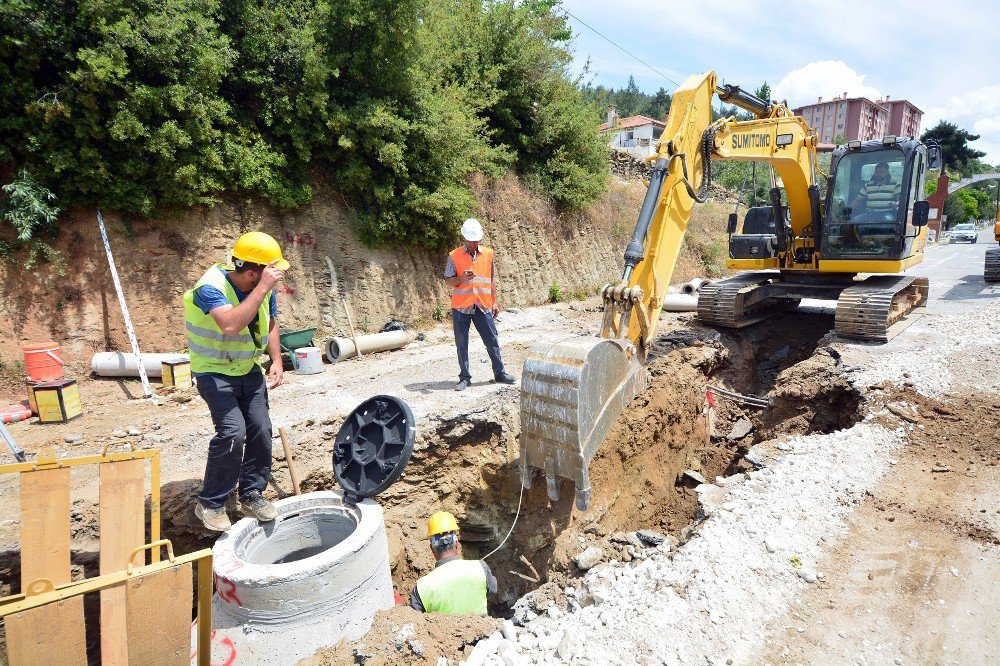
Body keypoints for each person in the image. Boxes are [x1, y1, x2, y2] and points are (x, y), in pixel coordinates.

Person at [183, 231, 289, 532]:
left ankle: (251, 494)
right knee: (232, 432)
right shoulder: (210, 287)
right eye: (270, 271)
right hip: (213, 372)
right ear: (253, 273)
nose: (275, 277)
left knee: (260, 428)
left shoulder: (262, 288)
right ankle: (211, 502)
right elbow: (230, 324)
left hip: (248, 369)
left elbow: (269, 323)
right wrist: (264, 288)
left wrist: (277, 360)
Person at [444, 218, 516, 391]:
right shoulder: (454, 256)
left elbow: (490, 279)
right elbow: (448, 280)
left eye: (476, 240)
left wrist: (494, 301)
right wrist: (461, 279)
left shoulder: (488, 254)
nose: (473, 243)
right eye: (470, 240)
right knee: (462, 343)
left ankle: (500, 373)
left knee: (492, 339)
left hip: (483, 305)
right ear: (464, 238)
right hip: (461, 306)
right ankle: (464, 377)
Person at [410, 511, 497, 615]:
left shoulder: (421, 587)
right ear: (457, 544)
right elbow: (493, 590)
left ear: (432, 549)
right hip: (484, 630)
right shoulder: (480, 567)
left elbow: (414, 619)